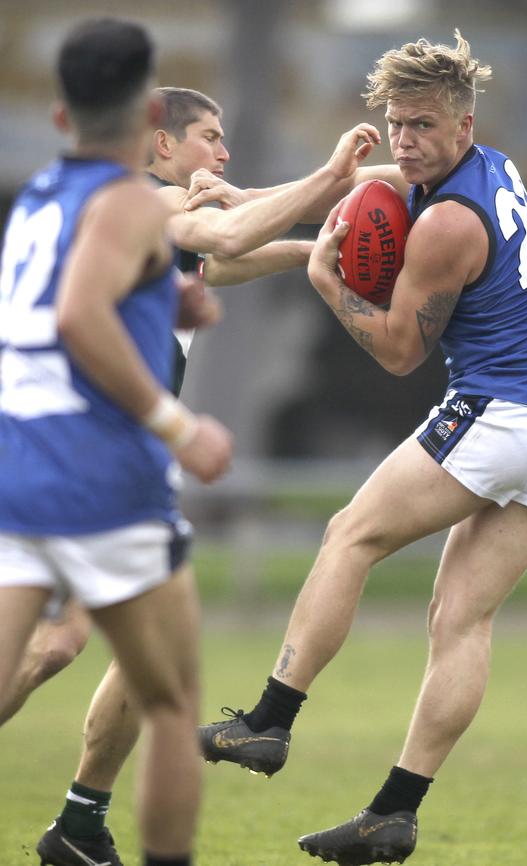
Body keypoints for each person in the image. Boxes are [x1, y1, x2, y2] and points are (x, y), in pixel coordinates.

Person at [197, 31, 527, 865]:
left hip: (506, 412)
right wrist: (250, 197)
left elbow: (396, 352)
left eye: (422, 125)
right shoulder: (486, 166)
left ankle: (270, 721)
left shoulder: (450, 222)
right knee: (460, 620)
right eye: (395, 124)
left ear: (462, 124)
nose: (406, 141)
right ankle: (394, 815)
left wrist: (329, 283)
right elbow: (361, 190)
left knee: (351, 535)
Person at [2, 65, 382, 866]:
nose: (224, 147)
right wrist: (330, 179)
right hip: (83, 463)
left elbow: (229, 260)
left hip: (104, 465)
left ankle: (80, 826)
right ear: (163, 142)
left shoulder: (140, 215)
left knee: (152, 661)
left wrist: (323, 246)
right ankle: (84, 824)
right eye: (211, 135)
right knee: (51, 647)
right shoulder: (147, 200)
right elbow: (227, 235)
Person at [0, 17, 233, 866]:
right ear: (148, 119)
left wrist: (162, 306)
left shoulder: (37, 200)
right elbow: (78, 314)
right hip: (100, 475)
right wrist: (179, 425)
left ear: (61, 117)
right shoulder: (133, 199)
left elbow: (72, 299)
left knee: (39, 655)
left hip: (16, 464)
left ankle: (78, 832)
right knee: (171, 701)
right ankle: (97, 836)